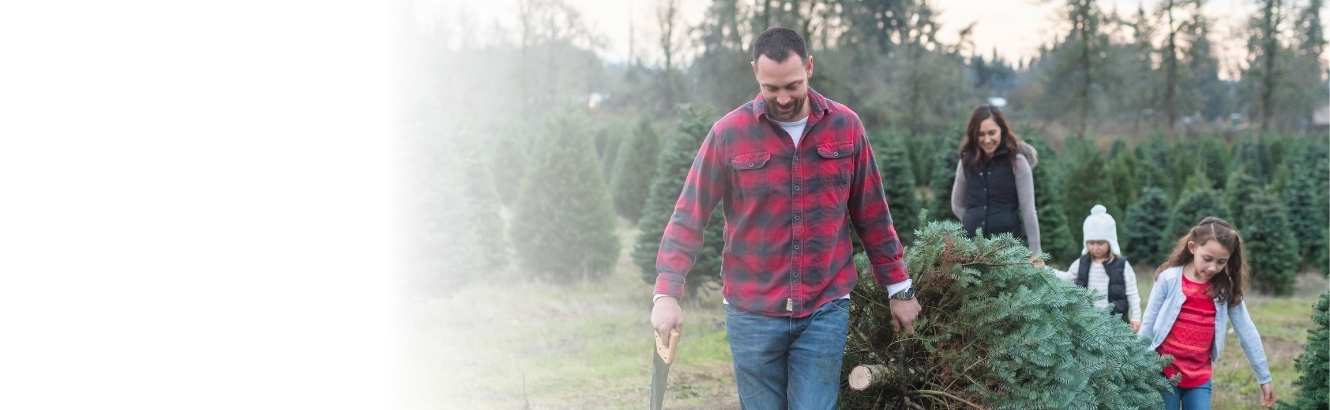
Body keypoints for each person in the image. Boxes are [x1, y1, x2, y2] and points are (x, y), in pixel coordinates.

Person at [648, 27, 920, 409]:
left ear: (809, 67)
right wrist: (667, 293)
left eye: (793, 85)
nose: (783, 98)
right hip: (752, 312)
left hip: (824, 308)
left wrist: (900, 288)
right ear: (755, 74)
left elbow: (873, 214)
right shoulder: (729, 134)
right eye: (770, 88)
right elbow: (688, 216)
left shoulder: (846, 127)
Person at [1138, 217, 1276, 409]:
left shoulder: (1225, 288)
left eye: (1221, 262)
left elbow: (1247, 331)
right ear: (1193, 247)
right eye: (1207, 259)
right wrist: (1135, 363)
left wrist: (1264, 377)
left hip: (1199, 378)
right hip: (1162, 372)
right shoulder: (1168, 278)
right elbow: (1148, 323)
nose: (1213, 267)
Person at [949, 105, 1042, 265]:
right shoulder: (966, 162)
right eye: (981, 134)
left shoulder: (1017, 162)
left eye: (992, 133)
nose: (987, 139)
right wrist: (973, 222)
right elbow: (957, 205)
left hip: (1008, 250)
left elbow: (1028, 211)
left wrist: (1036, 254)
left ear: (1002, 130)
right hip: (971, 252)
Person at [1051, 204, 1142, 331]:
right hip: (1087, 321)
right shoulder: (1081, 263)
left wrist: (1136, 317)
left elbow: (1132, 293)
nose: (1095, 247)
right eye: (1091, 243)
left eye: (1100, 243)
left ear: (1110, 242)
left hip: (1114, 322)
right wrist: (1045, 270)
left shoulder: (1122, 265)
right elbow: (1067, 277)